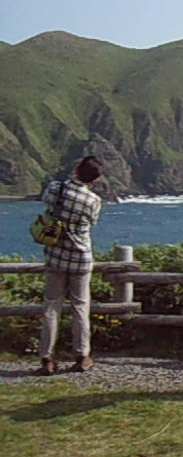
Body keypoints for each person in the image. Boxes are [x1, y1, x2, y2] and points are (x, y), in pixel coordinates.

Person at [32, 156, 107, 375]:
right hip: (81, 258)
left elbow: (46, 203)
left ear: (76, 169)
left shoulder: (56, 189)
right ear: (95, 179)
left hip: (55, 256)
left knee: (51, 307)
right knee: (80, 307)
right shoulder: (93, 200)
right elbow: (92, 222)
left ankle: (47, 358)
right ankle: (82, 356)